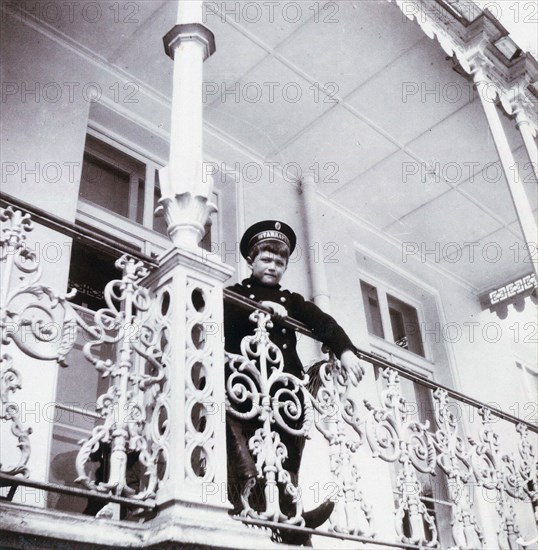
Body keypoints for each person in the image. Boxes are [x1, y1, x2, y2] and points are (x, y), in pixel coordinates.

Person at [223, 220, 364, 545]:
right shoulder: (235, 293)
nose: (272, 266)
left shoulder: (292, 300)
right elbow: (211, 312)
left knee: (287, 462)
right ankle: (267, 518)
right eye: (266, 259)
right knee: (248, 461)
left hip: (287, 395)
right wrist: (257, 310)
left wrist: (345, 352)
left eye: (279, 262)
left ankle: (290, 517)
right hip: (244, 392)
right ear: (251, 260)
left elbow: (323, 322)